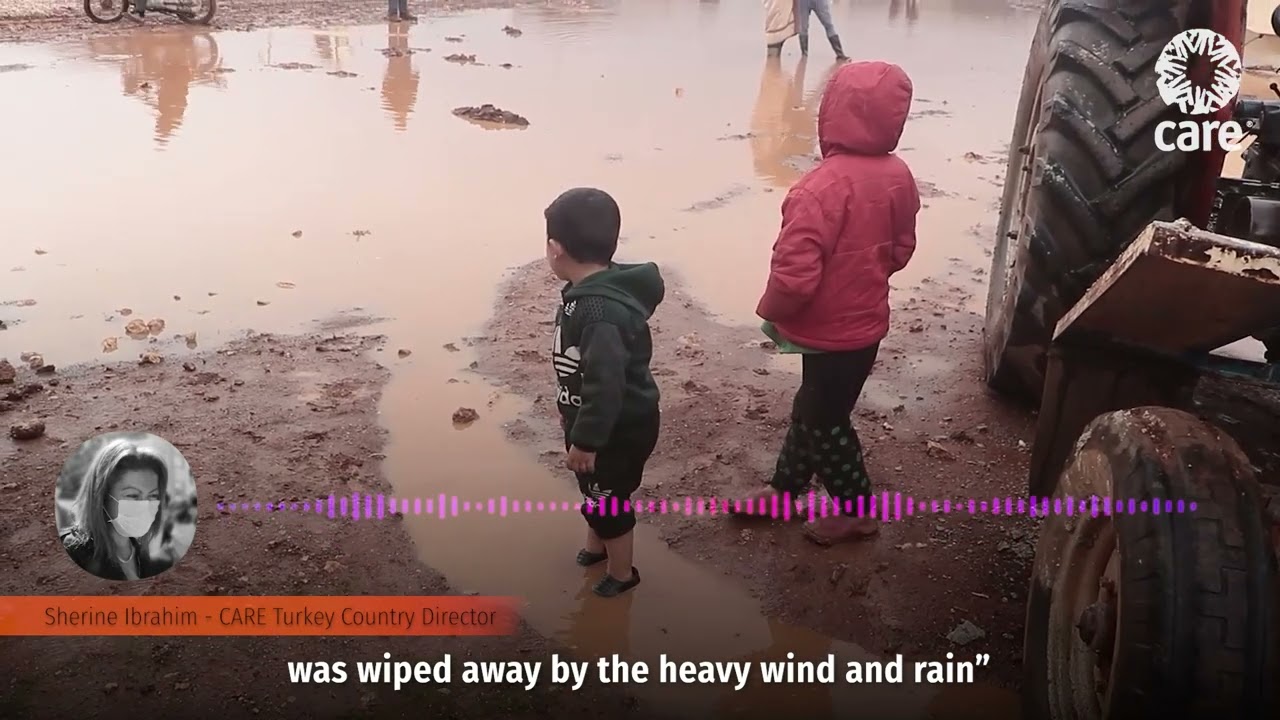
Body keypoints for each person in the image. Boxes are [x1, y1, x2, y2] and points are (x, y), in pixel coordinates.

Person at [734, 61, 920, 546]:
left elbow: (794, 275)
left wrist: (771, 310)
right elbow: (901, 250)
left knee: (825, 420)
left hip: (828, 332)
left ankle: (858, 511)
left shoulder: (817, 188)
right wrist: (866, 278)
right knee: (813, 408)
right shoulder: (900, 176)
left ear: (830, 114)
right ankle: (783, 490)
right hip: (866, 328)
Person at [545, 187, 665, 598]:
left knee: (608, 499)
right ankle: (596, 546)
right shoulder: (589, 297)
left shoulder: (600, 312)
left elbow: (607, 383)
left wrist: (587, 440)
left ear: (555, 249)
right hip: (593, 421)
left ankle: (621, 571)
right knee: (594, 490)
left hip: (615, 429)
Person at [61, 442, 176, 581]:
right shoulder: (74, 551)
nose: (145, 506)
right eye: (133, 496)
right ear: (102, 496)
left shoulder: (144, 557)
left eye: (153, 496)